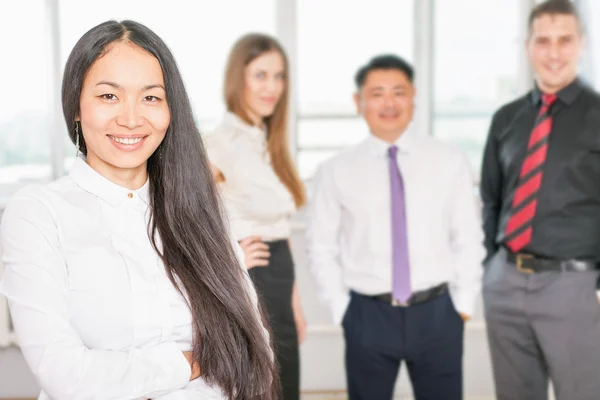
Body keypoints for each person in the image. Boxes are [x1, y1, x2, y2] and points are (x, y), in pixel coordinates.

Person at [0, 20, 277, 400]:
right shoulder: (36, 214)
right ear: (76, 107)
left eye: (150, 97)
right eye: (108, 96)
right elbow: (65, 376)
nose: (131, 118)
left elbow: (252, 351)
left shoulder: (202, 209)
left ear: (170, 109)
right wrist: (189, 362)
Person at [306, 54, 484, 400]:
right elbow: (321, 247)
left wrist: (462, 304)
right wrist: (343, 310)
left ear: (413, 97)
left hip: (438, 313)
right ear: (359, 102)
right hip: (367, 315)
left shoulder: (449, 160)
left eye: (399, 92)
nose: (389, 103)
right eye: (377, 93)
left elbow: (468, 237)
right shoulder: (335, 170)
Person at [480, 1, 600, 399]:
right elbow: (491, 201)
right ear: (527, 45)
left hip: (574, 285)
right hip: (506, 282)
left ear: (581, 43)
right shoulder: (506, 119)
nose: (553, 52)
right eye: (543, 41)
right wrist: (490, 269)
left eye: (564, 40)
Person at [203, 33, 307, 400]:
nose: (272, 87)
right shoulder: (220, 143)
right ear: (238, 78)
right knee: (259, 390)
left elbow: (281, 228)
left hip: (280, 276)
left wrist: (295, 303)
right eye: (261, 75)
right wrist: (233, 260)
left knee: (287, 386)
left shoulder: (269, 143)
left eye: (279, 77)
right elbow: (187, 221)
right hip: (251, 281)